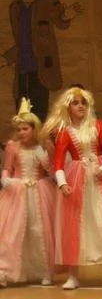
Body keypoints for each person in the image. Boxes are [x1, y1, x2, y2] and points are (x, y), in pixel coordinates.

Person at [43, 86, 102, 289]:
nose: (80, 106)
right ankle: (73, 275)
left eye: (83, 103)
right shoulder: (64, 132)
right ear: (68, 107)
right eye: (76, 103)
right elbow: (59, 163)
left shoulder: (99, 126)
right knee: (76, 227)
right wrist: (63, 183)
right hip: (77, 181)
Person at [4, 0, 83, 120]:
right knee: (23, 119)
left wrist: (67, 15)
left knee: (40, 117)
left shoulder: (47, 1)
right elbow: (21, 42)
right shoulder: (15, 8)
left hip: (41, 73)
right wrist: (6, 58)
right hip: (22, 73)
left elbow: (61, 21)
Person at [0, 98, 56, 287]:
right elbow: (7, 168)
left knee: (39, 231)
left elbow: (52, 171)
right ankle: (6, 272)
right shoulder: (12, 146)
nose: (21, 133)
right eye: (19, 129)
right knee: (13, 232)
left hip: (40, 192)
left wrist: (44, 156)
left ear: (34, 129)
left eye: (25, 129)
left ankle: (44, 271)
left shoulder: (44, 146)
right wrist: (5, 179)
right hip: (17, 192)